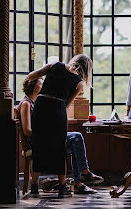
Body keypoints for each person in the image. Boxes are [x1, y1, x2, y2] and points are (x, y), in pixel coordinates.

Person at [26, 54, 103, 197]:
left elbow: (31, 76)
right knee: (60, 148)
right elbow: (67, 104)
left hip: (41, 106)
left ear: (73, 61)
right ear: (87, 70)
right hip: (57, 110)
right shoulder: (79, 83)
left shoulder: (55, 65)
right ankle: (62, 187)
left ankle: (34, 186)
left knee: (39, 144)